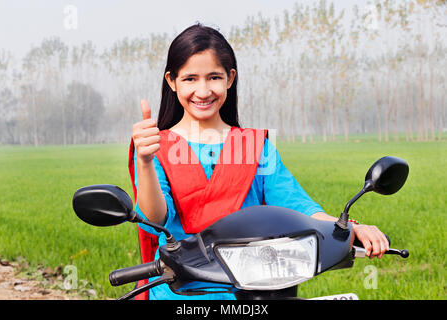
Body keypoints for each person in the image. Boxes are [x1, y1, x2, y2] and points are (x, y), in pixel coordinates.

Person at [129, 24, 389, 300]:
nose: (203, 91)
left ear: (230, 79)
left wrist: (351, 227)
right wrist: (145, 161)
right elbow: (154, 219)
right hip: (180, 290)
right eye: (190, 79)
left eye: (214, 77)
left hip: (255, 288)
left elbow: (297, 204)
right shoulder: (156, 145)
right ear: (172, 81)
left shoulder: (254, 146)